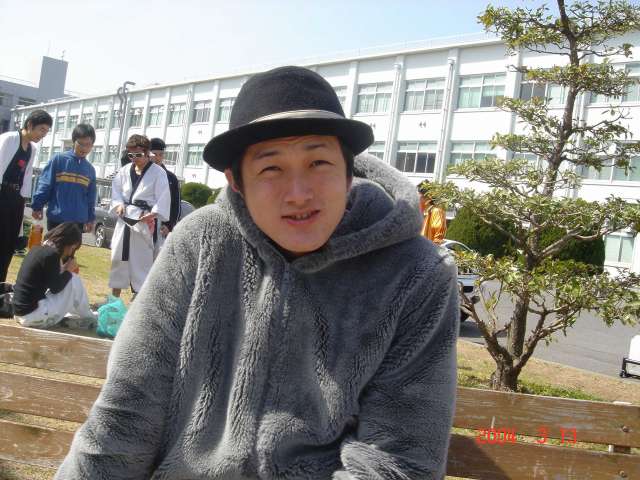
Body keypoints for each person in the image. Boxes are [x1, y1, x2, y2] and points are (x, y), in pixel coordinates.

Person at [56, 66, 459, 479]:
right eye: (271, 168)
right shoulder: (200, 243)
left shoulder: (415, 273)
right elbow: (125, 414)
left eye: (318, 161)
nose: (299, 194)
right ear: (236, 181)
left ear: (347, 168)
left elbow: (397, 461)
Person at [108, 134, 170, 298]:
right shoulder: (124, 171)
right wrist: (119, 204)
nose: (134, 159)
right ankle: (114, 300)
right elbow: (116, 192)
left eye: (138, 155)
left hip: (144, 222)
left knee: (142, 262)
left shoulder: (158, 173)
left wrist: (153, 214)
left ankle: (139, 302)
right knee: (118, 258)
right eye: (131, 155)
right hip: (125, 219)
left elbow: (163, 197)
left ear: (147, 153)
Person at [0, 109, 52, 282]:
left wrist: (22, 204)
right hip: (2, 193)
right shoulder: (9, 139)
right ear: (30, 124)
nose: (43, 135)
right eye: (41, 129)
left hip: (15, 199)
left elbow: (26, 178)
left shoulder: (32, 149)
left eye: (46, 131)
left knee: (8, 245)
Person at [12, 222, 95, 329]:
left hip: (20, 313)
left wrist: (64, 270)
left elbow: (50, 283)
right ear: (69, 243)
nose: (71, 253)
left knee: (69, 279)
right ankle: (89, 317)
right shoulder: (52, 255)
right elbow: (56, 288)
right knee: (73, 280)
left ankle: (83, 314)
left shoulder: (38, 249)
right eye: (73, 248)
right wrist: (68, 271)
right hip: (32, 315)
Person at [31, 123, 97, 232]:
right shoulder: (58, 160)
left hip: (78, 223)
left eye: (88, 145)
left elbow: (91, 197)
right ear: (74, 141)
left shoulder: (90, 170)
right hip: (57, 219)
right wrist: (37, 206)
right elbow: (45, 184)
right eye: (81, 144)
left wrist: (90, 218)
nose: (84, 148)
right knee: (52, 244)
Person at [149, 137, 181, 250]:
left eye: (161, 154)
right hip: (144, 223)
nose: (158, 158)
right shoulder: (141, 175)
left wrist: (169, 225)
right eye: (154, 154)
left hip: (161, 227)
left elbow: (176, 205)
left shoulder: (171, 178)